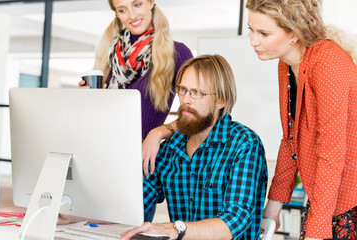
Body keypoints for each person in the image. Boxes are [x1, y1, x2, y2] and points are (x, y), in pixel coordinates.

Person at [120, 54, 268, 240]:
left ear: (221, 100)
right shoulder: (169, 149)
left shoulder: (244, 144)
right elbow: (134, 202)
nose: (186, 100)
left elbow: (233, 221)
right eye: (183, 90)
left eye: (197, 92)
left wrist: (175, 229)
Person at [246, 0, 357, 239]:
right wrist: (272, 209)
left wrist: (316, 231)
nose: (253, 41)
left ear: (294, 33)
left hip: (349, 199)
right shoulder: (286, 65)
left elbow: (332, 152)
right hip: (327, 196)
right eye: (251, 30)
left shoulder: (328, 63)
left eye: (264, 33)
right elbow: (290, 140)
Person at [79, 0, 193, 141]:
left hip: (139, 157)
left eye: (137, 5)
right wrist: (84, 101)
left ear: (151, 2)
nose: (132, 15)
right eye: (122, 10)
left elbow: (197, 111)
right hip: (98, 146)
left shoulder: (176, 52)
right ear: (116, 13)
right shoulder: (108, 53)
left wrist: (158, 133)